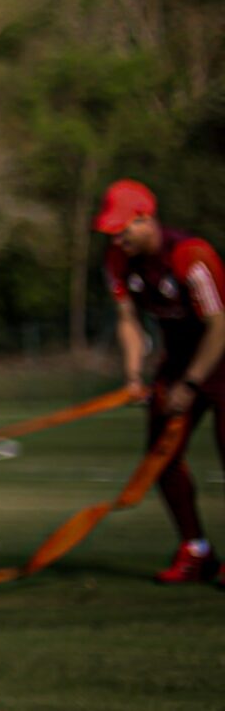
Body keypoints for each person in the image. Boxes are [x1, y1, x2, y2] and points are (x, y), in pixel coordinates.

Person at [97, 177, 225, 586]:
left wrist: (190, 385)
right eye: (111, 232)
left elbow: (219, 328)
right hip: (177, 364)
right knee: (161, 456)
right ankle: (195, 550)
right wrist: (135, 375)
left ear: (146, 218)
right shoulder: (118, 261)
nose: (118, 240)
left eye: (123, 230)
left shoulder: (191, 255)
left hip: (218, 360)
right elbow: (128, 321)